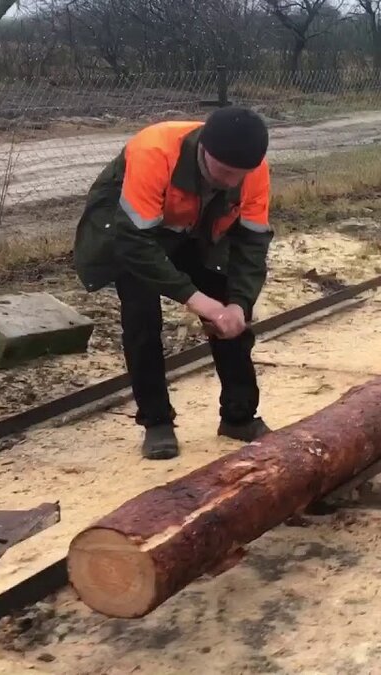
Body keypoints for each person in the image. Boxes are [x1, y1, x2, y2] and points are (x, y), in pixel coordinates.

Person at [73, 106, 274, 459]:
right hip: (135, 236)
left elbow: (251, 244)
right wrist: (194, 298)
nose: (231, 182)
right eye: (224, 172)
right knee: (142, 319)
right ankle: (157, 422)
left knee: (231, 316)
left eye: (239, 176)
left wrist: (238, 303)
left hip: (196, 230)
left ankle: (239, 417)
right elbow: (134, 241)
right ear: (204, 151)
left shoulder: (253, 171)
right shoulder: (154, 152)